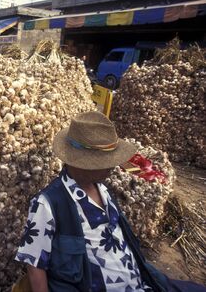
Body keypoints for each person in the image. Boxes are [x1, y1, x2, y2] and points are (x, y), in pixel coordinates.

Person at [15, 111, 205, 292]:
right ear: (83, 163)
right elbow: (35, 266)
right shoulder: (47, 204)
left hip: (143, 282)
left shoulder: (103, 189)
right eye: (105, 162)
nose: (113, 167)